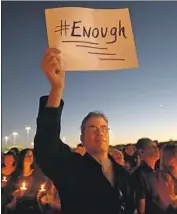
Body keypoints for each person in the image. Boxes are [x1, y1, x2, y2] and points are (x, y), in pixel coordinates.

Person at [34, 48, 134, 214]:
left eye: (104, 128)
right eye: (93, 128)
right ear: (82, 136)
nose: (100, 132)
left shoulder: (123, 174)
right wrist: (56, 89)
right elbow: (46, 145)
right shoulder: (71, 167)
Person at [145, 143, 177, 214]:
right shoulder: (151, 180)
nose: (165, 172)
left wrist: (168, 206)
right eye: (163, 165)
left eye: (171, 167)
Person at [131, 138, 160, 214]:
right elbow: (141, 209)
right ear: (141, 152)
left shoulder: (157, 171)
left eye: (156, 147)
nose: (157, 150)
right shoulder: (139, 175)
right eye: (152, 147)